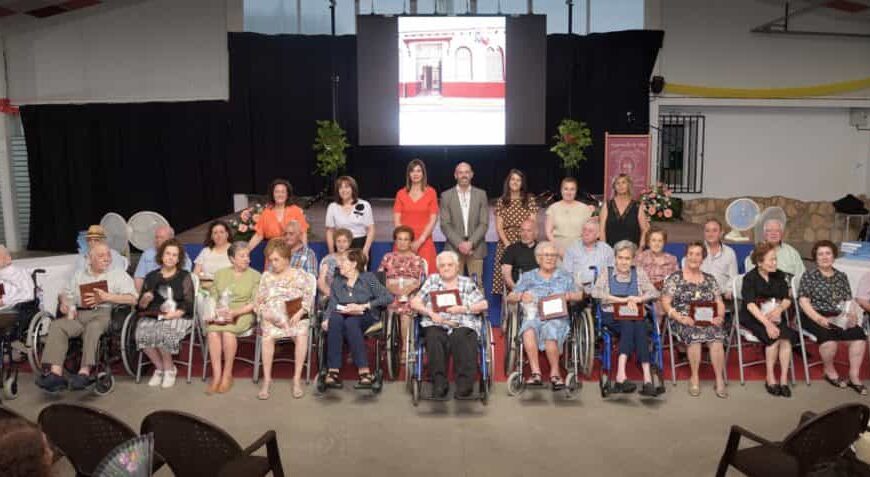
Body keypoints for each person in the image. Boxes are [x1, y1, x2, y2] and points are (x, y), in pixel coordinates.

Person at [36, 243, 137, 393]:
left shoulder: (118, 274)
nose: (107, 259)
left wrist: (107, 297)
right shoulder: (79, 275)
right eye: (101, 256)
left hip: (103, 314)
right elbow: (65, 293)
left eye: (108, 255)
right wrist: (65, 303)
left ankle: (84, 372)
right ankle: (55, 374)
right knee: (58, 325)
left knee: (93, 327)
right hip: (79, 314)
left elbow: (133, 299)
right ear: (89, 259)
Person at [410, 251, 488, 398]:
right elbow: (415, 302)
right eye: (442, 265)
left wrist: (464, 308)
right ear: (438, 267)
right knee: (433, 336)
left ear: (457, 266)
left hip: (462, 321)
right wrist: (430, 313)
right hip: (435, 321)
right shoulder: (432, 280)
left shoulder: (466, 282)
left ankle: (465, 384)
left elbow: (484, 304)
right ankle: (439, 383)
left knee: (461, 336)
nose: (446, 268)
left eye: (450, 265)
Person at [506, 242, 583, 389]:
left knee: (550, 330)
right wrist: (521, 296)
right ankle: (536, 373)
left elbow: (580, 295)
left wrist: (568, 295)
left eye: (553, 255)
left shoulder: (565, 276)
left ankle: (555, 373)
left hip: (557, 316)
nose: (550, 258)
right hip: (534, 315)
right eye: (546, 255)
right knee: (528, 330)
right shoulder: (528, 276)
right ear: (538, 258)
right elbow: (510, 296)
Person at [592, 240, 660, 396]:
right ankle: (629, 375)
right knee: (633, 323)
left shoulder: (639, 272)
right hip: (611, 314)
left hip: (633, 313)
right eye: (620, 258)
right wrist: (621, 300)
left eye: (627, 258)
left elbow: (654, 292)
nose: (623, 262)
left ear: (633, 259)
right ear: (615, 258)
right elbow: (595, 293)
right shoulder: (606, 272)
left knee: (638, 324)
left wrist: (638, 299)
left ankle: (642, 378)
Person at [799, 240, 867, 395]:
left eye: (828, 253)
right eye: (820, 254)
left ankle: (854, 376)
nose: (824, 257)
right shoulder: (809, 276)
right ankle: (829, 371)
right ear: (815, 258)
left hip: (838, 316)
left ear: (834, 256)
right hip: (813, 315)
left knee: (859, 335)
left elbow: (848, 300)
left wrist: (851, 315)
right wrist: (819, 319)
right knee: (829, 339)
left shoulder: (841, 276)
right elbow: (804, 302)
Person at [661, 241, 728, 398]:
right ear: (686, 255)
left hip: (708, 319)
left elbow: (719, 302)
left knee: (717, 337)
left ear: (703, 258)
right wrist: (679, 317)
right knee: (694, 337)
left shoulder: (710, 279)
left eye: (698, 254)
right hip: (683, 319)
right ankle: (695, 376)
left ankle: (719, 379)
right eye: (691, 253)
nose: (694, 257)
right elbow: (665, 301)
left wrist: (720, 316)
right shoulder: (675, 277)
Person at [255, 239, 316, 400]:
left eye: (276, 259)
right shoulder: (266, 276)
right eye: (270, 259)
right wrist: (265, 313)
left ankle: (296, 379)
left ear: (287, 258)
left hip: (294, 311)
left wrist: (301, 311)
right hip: (272, 313)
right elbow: (259, 301)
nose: (273, 263)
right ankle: (267, 379)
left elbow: (309, 297)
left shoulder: (300, 274)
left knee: (302, 332)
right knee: (267, 335)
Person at [323, 249, 393, 387]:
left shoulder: (369, 278)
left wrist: (365, 306)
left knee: (351, 322)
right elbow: (332, 303)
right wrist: (326, 318)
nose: (339, 264)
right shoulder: (337, 280)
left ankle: (364, 371)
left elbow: (387, 297)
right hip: (342, 313)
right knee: (334, 320)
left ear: (354, 264)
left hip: (364, 314)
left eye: (343, 261)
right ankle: (333, 371)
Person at [740, 242, 798, 398]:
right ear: (760, 262)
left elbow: (786, 299)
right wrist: (767, 324)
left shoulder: (779, 275)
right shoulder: (750, 278)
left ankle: (784, 379)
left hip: (775, 314)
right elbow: (750, 305)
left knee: (785, 339)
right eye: (771, 260)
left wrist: (778, 309)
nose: (774, 263)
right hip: (754, 317)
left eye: (775, 259)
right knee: (773, 338)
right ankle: (770, 377)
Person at [136, 239, 195, 389]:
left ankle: (169, 369)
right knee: (140, 332)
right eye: (168, 253)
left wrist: (175, 314)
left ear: (178, 259)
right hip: (155, 314)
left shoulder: (185, 276)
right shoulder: (151, 276)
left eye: (174, 255)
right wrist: (144, 299)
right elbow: (140, 306)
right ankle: (159, 368)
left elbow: (189, 303)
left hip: (179, 314)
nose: (170, 257)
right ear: (161, 256)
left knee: (162, 331)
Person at [205, 241, 261, 394]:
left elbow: (254, 303)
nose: (247, 259)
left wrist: (235, 313)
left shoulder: (256, 276)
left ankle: (227, 374)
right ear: (232, 259)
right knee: (213, 332)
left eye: (248, 256)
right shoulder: (220, 274)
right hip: (221, 312)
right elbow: (213, 296)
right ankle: (216, 376)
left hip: (243, 312)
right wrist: (217, 310)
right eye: (242, 256)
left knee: (228, 332)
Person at [378, 225, 426, 359]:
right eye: (399, 239)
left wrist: (405, 290)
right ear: (395, 241)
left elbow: (419, 281)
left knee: (405, 309)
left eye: (406, 239)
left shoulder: (417, 259)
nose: (402, 242)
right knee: (388, 305)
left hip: (409, 292)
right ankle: (388, 342)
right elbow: (380, 277)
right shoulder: (388, 257)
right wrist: (391, 288)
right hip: (390, 292)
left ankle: (405, 347)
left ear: (411, 242)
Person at [439, 162, 489, 289]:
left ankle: (478, 310)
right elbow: (445, 224)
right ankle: (455, 310)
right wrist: (460, 244)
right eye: (460, 173)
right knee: (452, 286)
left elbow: (484, 223)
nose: (464, 175)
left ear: (471, 174)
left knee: (476, 285)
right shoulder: (446, 196)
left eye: (467, 172)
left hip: (476, 248)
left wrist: (470, 243)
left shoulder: (481, 194)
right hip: (454, 248)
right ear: (455, 175)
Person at [493, 169, 538, 295]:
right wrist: (508, 245)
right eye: (513, 179)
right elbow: (499, 227)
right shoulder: (502, 201)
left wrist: (526, 242)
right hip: (506, 242)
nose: (515, 182)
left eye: (518, 180)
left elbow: (532, 223)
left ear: (522, 183)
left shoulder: (529, 200)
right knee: (507, 277)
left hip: (525, 240)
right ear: (508, 182)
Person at [394, 159, 439, 274]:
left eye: (419, 171)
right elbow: (397, 220)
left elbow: (433, 219)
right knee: (401, 277)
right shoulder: (401, 193)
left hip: (424, 241)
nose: (415, 174)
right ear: (408, 174)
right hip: (403, 243)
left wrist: (420, 241)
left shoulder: (431, 192)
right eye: (412, 171)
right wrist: (404, 241)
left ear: (423, 174)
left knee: (426, 277)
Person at [247, 179, 309, 252]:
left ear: (287, 194)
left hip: (293, 253)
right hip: (273, 254)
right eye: (277, 192)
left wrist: (305, 252)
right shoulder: (266, 213)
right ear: (272, 194)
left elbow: (303, 233)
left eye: (283, 192)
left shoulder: (295, 211)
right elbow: (258, 235)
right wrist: (246, 250)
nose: (280, 195)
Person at [561, 218, 615, 294]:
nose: (586, 233)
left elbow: (612, 274)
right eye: (584, 230)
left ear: (598, 235)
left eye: (590, 231)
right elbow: (566, 274)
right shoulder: (572, 248)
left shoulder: (607, 250)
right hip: (577, 292)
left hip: (601, 292)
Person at [325, 176, 375, 257]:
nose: (344, 190)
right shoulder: (332, 207)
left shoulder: (364, 205)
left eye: (347, 187)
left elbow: (371, 229)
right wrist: (331, 252)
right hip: (341, 245)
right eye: (340, 188)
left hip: (360, 245)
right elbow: (329, 231)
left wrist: (365, 250)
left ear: (353, 189)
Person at [133, 225, 192, 292]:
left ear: (171, 239)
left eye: (161, 237)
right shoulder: (147, 254)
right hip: (150, 290)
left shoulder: (180, 254)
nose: (158, 240)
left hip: (174, 290)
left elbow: (186, 278)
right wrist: (138, 296)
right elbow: (139, 277)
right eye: (156, 237)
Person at [546, 177, 596, 254]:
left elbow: (590, 232)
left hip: (580, 249)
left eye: (572, 189)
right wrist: (558, 249)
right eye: (566, 189)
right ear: (561, 190)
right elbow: (548, 232)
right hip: (558, 250)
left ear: (576, 191)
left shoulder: (584, 208)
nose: (569, 192)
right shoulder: (553, 208)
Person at [600, 174, 648, 248]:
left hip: (632, 252)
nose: (620, 186)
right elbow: (601, 229)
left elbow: (644, 229)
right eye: (617, 183)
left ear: (628, 185)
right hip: (611, 250)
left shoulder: (637, 206)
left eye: (623, 182)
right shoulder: (607, 205)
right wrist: (604, 250)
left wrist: (640, 249)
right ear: (614, 187)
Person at [701, 218, 738, 299]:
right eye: (707, 231)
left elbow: (733, 277)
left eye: (714, 231)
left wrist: (730, 290)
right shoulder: (697, 250)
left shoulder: (729, 252)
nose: (710, 234)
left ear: (721, 233)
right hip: (699, 294)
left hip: (722, 295)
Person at [501, 218, 539, 294]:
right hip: (518, 290)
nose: (525, 234)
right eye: (522, 230)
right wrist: (518, 290)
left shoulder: (542, 248)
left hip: (540, 290)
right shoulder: (511, 249)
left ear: (535, 233)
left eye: (529, 231)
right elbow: (506, 276)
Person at [193, 220, 233, 286]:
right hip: (205, 288)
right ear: (211, 236)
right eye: (215, 233)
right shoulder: (205, 251)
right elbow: (195, 275)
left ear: (227, 234)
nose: (218, 235)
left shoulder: (235, 250)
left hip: (228, 289)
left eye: (221, 232)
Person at [318, 228, 352, 297]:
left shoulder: (354, 259)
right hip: (330, 296)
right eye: (338, 241)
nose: (341, 244)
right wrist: (332, 295)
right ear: (335, 243)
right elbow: (321, 282)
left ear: (349, 243)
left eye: (344, 241)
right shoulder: (328, 259)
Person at [0, 244, 34, 309]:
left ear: (7, 258)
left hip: (15, 310)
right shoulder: (1, 276)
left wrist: (4, 301)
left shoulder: (19, 272)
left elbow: (29, 294)